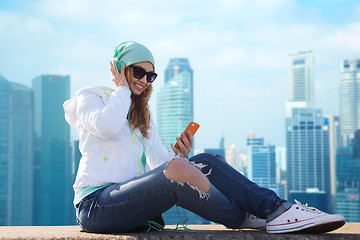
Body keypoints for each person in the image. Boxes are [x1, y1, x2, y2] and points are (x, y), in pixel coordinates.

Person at [63, 41, 345, 234]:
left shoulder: (141, 115)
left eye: (151, 76)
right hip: (95, 205)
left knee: (204, 161)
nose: (145, 80)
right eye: (139, 72)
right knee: (178, 173)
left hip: (129, 203)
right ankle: (244, 216)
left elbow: (159, 165)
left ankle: (275, 209)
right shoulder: (90, 97)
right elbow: (106, 127)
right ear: (121, 68)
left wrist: (181, 158)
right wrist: (122, 89)